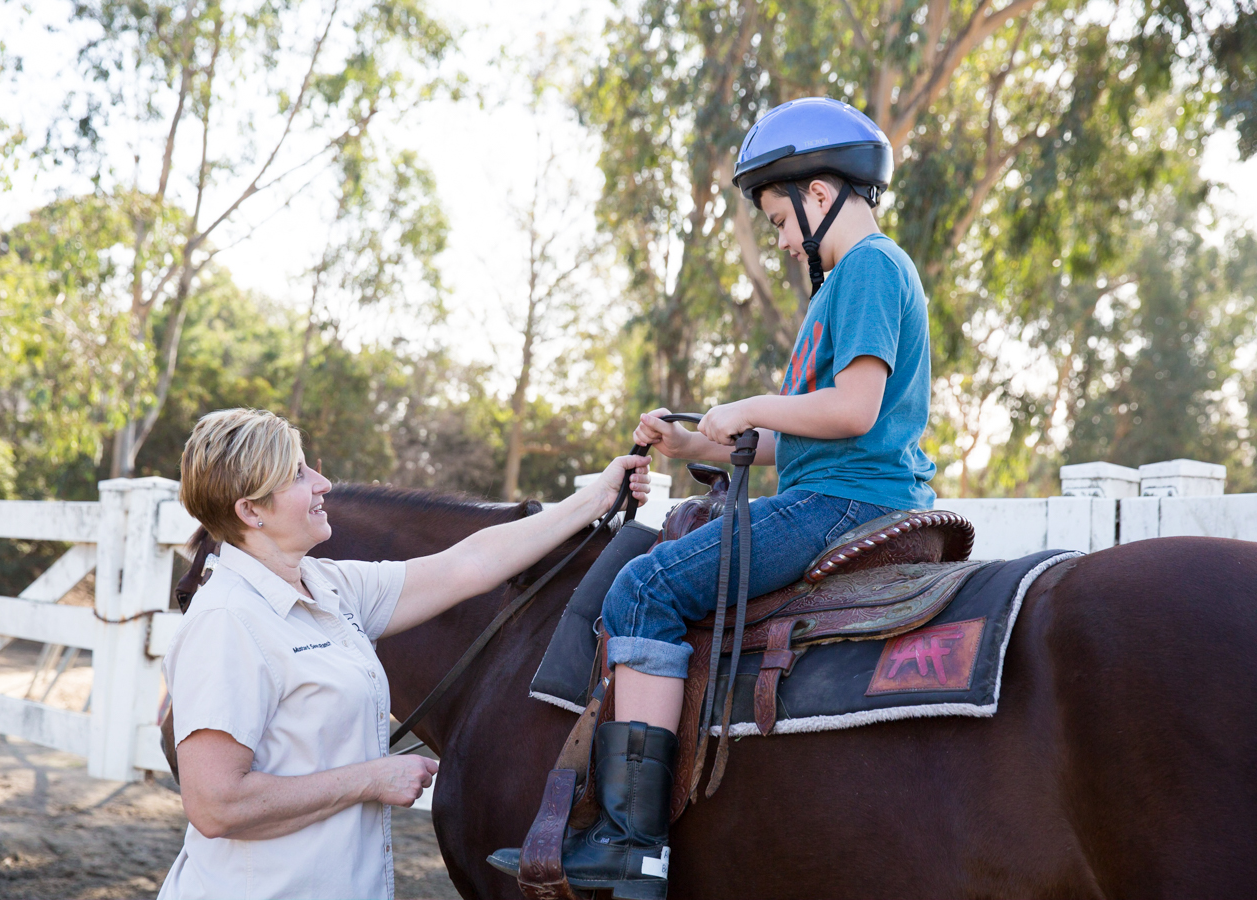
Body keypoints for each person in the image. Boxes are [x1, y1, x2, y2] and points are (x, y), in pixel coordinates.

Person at [490, 97, 937, 899]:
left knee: (646, 585)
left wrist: (753, 404)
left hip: (848, 501)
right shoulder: (843, 288)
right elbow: (809, 436)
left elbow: (855, 410)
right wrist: (699, 441)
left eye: (777, 218)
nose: (783, 238)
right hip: (836, 482)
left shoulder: (868, 268)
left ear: (820, 191)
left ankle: (633, 843)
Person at [158, 407, 651, 900]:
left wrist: (597, 497)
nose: (322, 483)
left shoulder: (329, 588)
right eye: (298, 475)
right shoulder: (227, 621)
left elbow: (469, 565)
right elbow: (216, 805)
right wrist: (370, 779)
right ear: (251, 511)